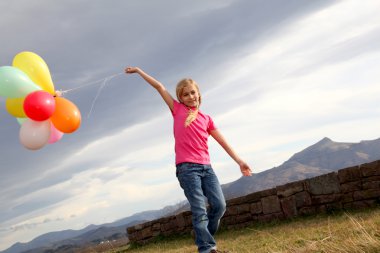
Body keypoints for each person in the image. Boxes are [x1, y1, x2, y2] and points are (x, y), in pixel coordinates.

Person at [125, 67, 252, 253]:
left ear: (199, 94)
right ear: (181, 97)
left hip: (207, 168)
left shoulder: (207, 119)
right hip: (187, 169)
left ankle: (203, 237)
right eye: (186, 94)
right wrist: (138, 71)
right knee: (199, 209)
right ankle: (207, 248)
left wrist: (239, 161)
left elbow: (223, 142)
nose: (190, 97)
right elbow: (159, 87)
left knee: (220, 206)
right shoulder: (177, 109)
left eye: (193, 93)